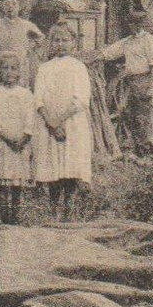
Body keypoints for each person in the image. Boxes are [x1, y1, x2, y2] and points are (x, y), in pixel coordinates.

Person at [34, 23, 94, 221]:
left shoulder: (78, 67)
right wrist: (51, 122)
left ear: (73, 43)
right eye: (56, 40)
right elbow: (38, 99)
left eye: (65, 40)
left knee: (70, 166)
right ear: (50, 43)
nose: (60, 44)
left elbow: (81, 99)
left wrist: (59, 121)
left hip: (72, 124)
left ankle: (69, 211)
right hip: (49, 124)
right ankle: (53, 212)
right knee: (54, 169)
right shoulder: (44, 68)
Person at [100, 8, 153, 158]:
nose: (133, 26)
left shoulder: (149, 40)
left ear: (141, 24)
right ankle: (137, 149)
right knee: (132, 115)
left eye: (136, 23)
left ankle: (148, 152)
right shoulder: (128, 41)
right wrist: (97, 58)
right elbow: (111, 52)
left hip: (146, 79)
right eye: (131, 23)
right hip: (132, 82)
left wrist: (151, 86)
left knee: (145, 117)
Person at [0, 52, 36, 225]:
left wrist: (25, 136)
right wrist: (6, 137)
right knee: (3, 183)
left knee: (17, 184)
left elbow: (30, 117)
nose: (9, 72)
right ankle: (4, 220)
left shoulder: (26, 94)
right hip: (3, 143)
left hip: (21, 143)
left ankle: (16, 219)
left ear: (19, 71)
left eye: (13, 68)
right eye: (5, 68)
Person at [0, 0, 43, 86]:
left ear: (20, 7)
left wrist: (31, 47)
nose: (10, 7)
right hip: (3, 65)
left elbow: (40, 38)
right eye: (7, 4)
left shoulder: (27, 25)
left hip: (21, 66)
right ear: (2, 6)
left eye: (14, 4)